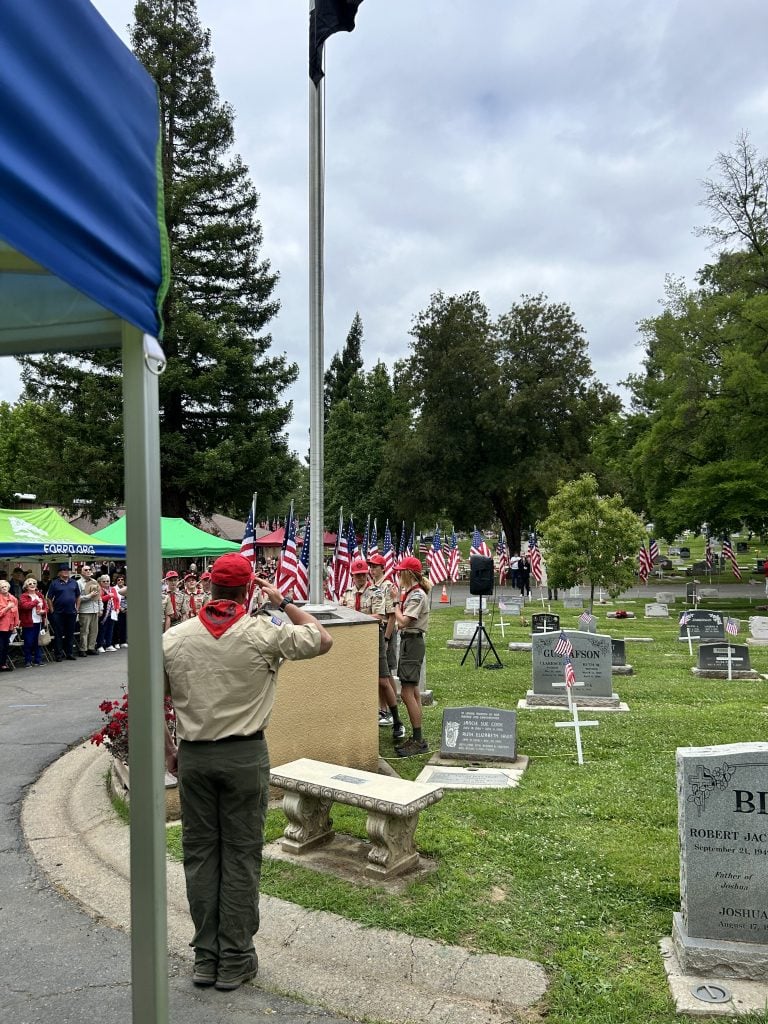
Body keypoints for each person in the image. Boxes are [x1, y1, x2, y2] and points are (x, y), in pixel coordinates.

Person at [163, 553, 332, 991]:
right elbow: (322, 638)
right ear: (247, 590)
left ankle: (206, 957)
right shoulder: (264, 632)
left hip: (194, 758)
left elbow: (150, 702)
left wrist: (169, 751)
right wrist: (283, 601)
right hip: (244, 758)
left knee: (201, 856)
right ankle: (235, 959)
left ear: (209, 587)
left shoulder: (175, 638)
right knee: (240, 855)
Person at [389, 555, 431, 757]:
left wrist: (396, 603)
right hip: (409, 642)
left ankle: (418, 739)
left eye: (400, 571)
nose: (398, 575)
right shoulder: (413, 593)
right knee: (412, 690)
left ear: (408, 573)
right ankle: (417, 737)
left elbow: (404, 621)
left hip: (412, 642)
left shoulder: (416, 595)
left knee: (406, 693)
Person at [367, 553, 406, 742]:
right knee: (381, 675)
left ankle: (390, 711)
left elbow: (391, 615)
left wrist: (388, 638)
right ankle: (383, 709)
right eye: (371, 566)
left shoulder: (387, 586)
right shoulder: (373, 587)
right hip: (375, 633)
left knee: (386, 674)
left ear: (383, 568)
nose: (372, 569)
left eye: (375, 566)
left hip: (385, 633)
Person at [46, 564, 80, 661]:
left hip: (71, 612)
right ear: (59, 572)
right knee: (58, 634)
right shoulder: (54, 583)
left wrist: (77, 608)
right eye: (64, 570)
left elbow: (78, 596)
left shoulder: (74, 582)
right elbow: (49, 598)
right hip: (58, 613)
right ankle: (58, 654)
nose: (66, 572)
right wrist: (52, 610)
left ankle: (69, 653)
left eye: (67, 570)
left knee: (70, 633)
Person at [19, 576, 46, 666]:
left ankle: (38, 660)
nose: (32, 585)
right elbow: (25, 606)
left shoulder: (40, 595)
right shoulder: (24, 596)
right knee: (28, 642)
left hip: (39, 621)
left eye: (34, 583)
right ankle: (28, 660)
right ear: (26, 586)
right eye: (30, 583)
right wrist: (35, 602)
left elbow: (46, 607)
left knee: (38, 642)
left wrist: (43, 611)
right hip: (28, 622)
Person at [77, 564, 102, 656]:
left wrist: (100, 608)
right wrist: (89, 596)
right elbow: (78, 598)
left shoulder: (94, 581)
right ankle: (83, 649)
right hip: (85, 610)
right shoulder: (78, 583)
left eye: (89, 569)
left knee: (94, 630)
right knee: (85, 630)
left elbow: (99, 596)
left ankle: (91, 648)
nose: (88, 571)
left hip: (95, 609)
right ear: (81, 572)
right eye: (86, 570)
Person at [95, 574, 120, 652]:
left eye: (107, 581)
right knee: (102, 629)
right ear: (100, 582)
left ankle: (109, 644)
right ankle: (100, 645)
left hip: (112, 612)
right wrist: (108, 596)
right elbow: (100, 599)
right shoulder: (100, 589)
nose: (106, 582)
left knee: (110, 629)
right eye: (104, 581)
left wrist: (117, 609)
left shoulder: (112, 589)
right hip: (103, 612)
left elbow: (116, 599)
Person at [0, 579, 20, 671]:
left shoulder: (13, 599)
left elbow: (16, 613)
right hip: (1, 626)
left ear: (8, 587)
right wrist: (7, 608)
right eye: (2, 587)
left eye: (5, 586)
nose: (4, 588)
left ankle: (3, 664)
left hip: (10, 626)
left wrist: (16, 624)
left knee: (6, 646)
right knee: (1, 646)